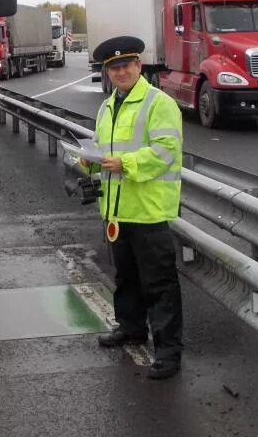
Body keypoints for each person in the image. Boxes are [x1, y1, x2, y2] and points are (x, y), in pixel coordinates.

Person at [82, 35, 184, 380]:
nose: (120, 71)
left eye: (126, 65)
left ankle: (169, 353)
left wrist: (123, 162)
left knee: (159, 285)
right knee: (126, 278)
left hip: (149, 210)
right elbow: (103, 148)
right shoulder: (108, 106)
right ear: (107, 72)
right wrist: (90, 161)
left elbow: (166, 152)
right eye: (114, 67)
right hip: (116, 210)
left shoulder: (158, 103)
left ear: (139, 66)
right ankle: (131, 327)